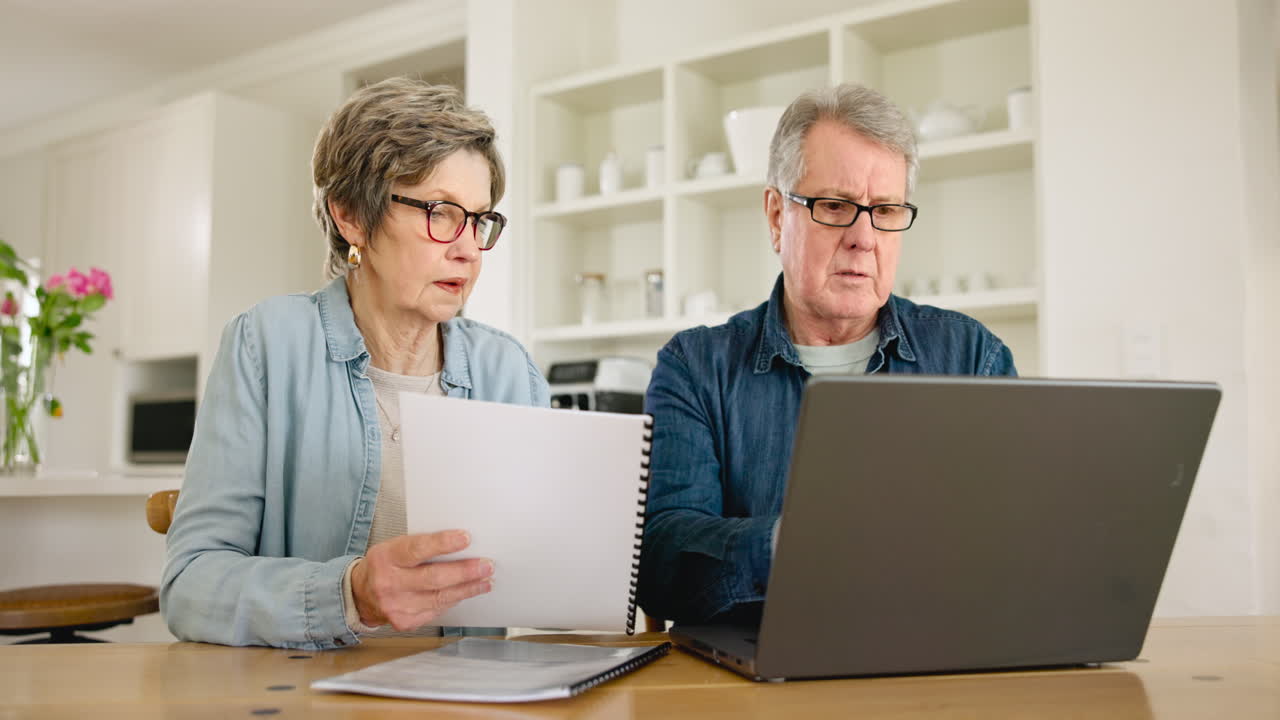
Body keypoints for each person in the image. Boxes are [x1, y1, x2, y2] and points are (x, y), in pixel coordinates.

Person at [161, 78, 548, 649]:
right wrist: (350, 594)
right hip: (306, 695)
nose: (468, 247)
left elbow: (546, 565)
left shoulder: (509, 370)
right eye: (441, 213)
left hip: (469, 694)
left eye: (481, 219)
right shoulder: (265, 345)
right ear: (351, 217)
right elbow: (191, 585)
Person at [637, 84, 1017, 625]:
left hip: (932, 669)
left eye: (885, 210)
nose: (864, 237)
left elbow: (1014, 545)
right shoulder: (697, 368)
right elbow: (661, 560)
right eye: (836, 206)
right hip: (754, 690)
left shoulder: (972, 356)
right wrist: (790, 545)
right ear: (776, 216)